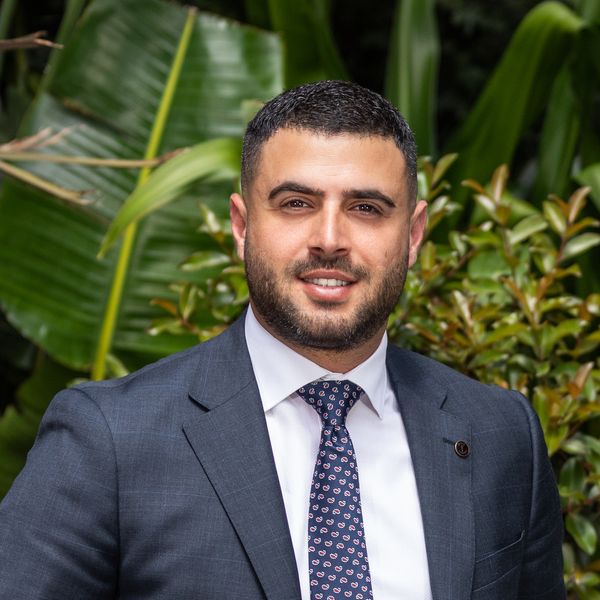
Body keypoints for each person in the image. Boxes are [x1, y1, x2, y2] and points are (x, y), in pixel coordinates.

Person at [0, 81, 564, 600]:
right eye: (296, 203)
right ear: (242, 225)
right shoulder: (110, 441)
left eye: (366, 208)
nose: (329, 239)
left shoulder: (501, 435)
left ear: (413, 235)